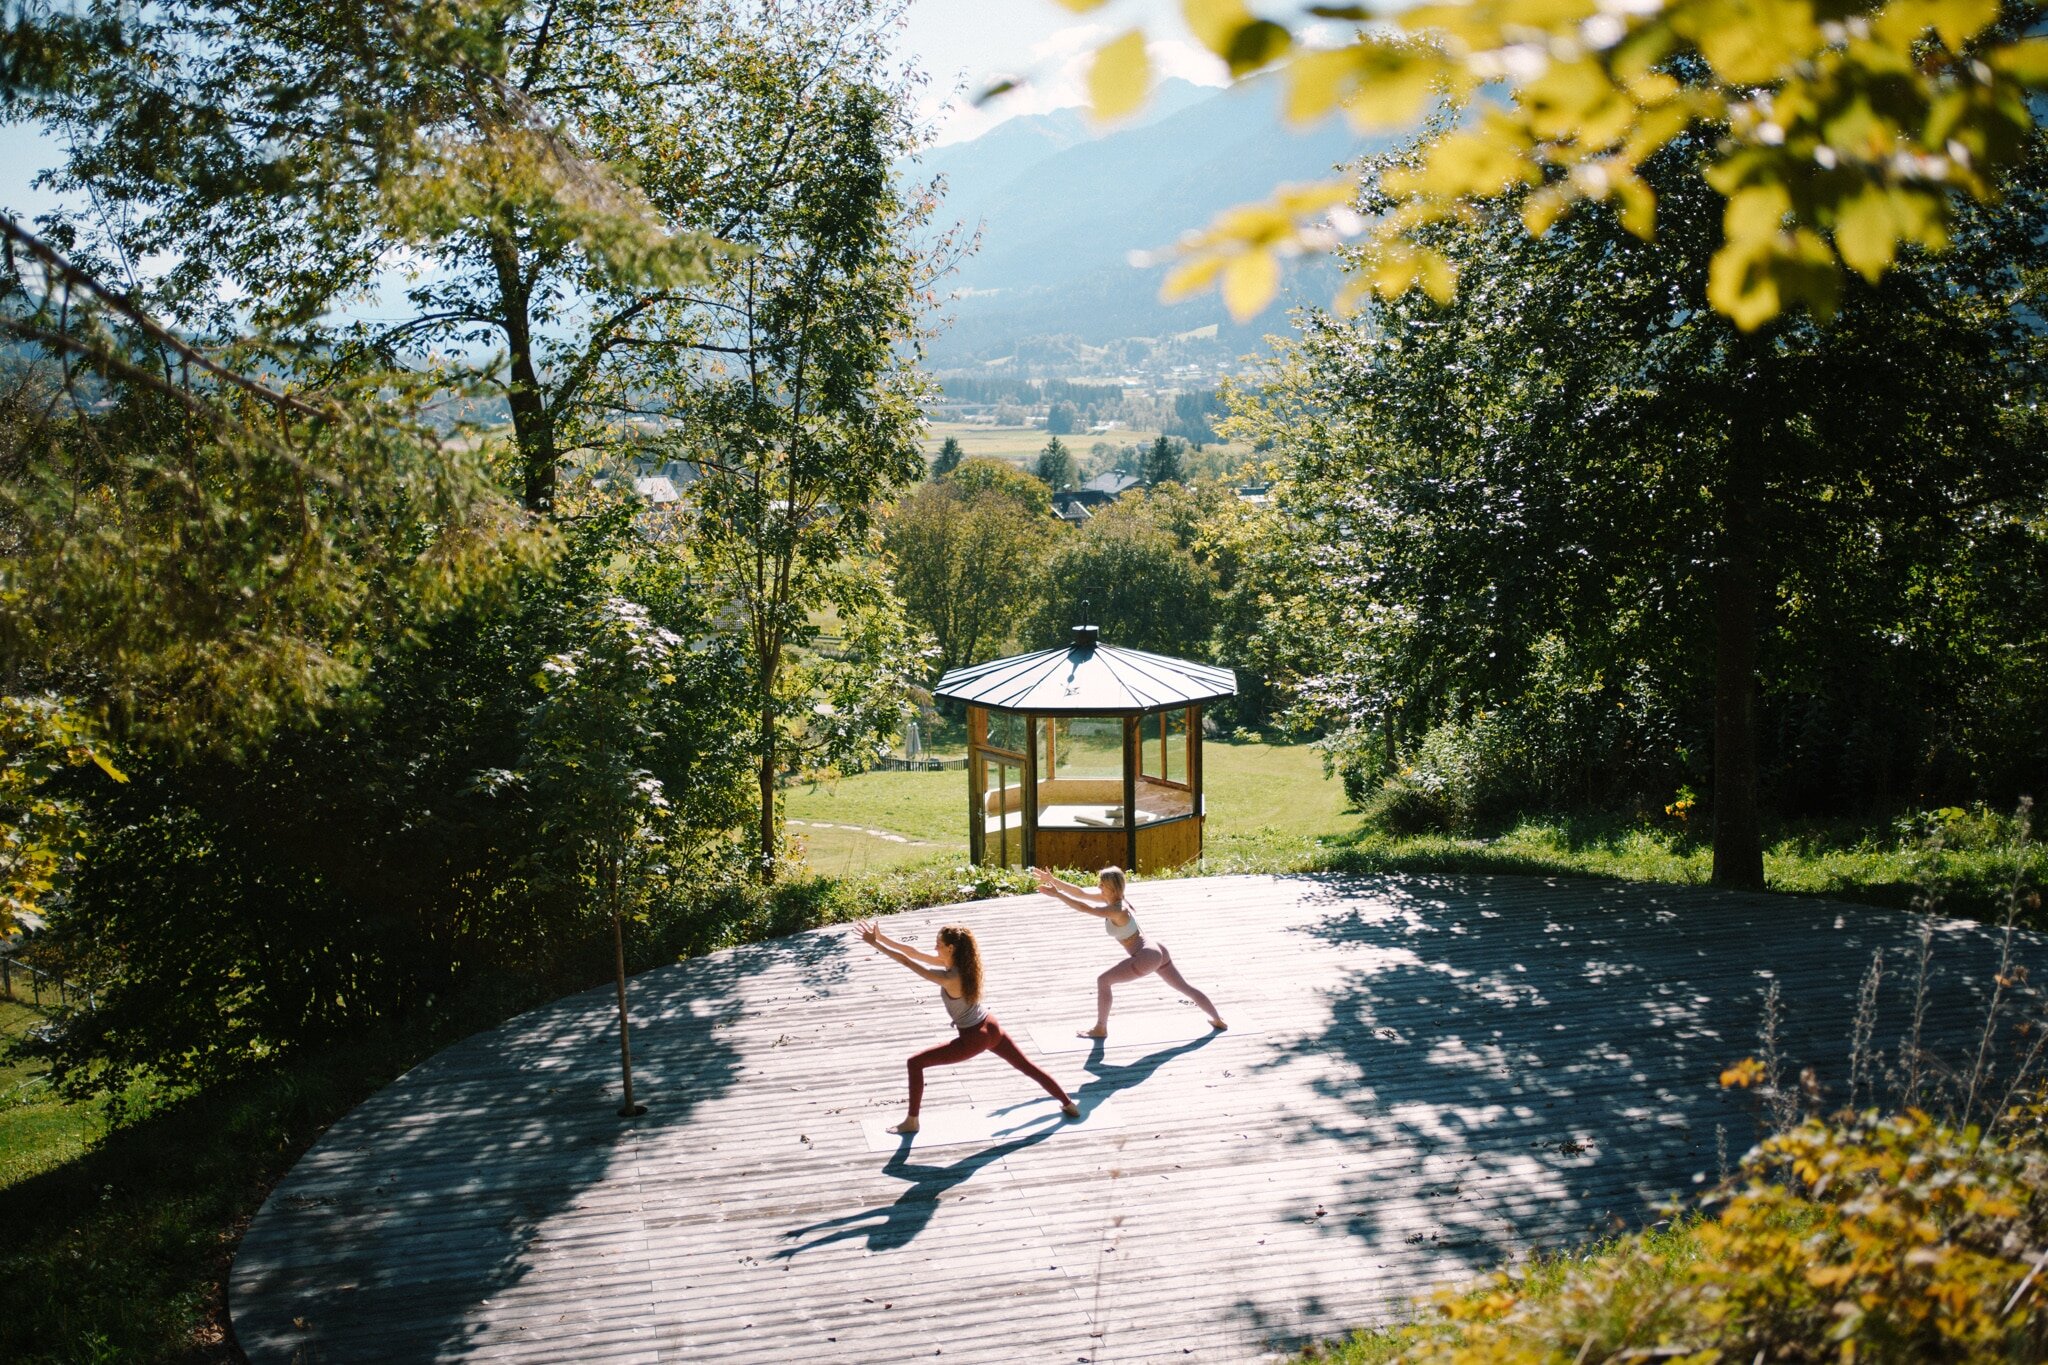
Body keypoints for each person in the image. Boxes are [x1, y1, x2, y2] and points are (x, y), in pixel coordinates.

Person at [856, 918, 1079, 1135]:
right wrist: (882, 938)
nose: (935, 947)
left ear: (951, 947)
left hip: (974, 1037)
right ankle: (1068, 1104)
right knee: (1027, 1066)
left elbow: (908, 962)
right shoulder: (961, 963)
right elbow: (913, 952)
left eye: (939, 944)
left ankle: (912, 1121)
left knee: (915, 1063)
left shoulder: (951, 977)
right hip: (991, 1026)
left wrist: (874, 945)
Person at [1029, 866, 1227, 1039]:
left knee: (1103, 981)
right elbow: (1081, 893)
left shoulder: (1117, 910)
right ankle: (1218, 1019)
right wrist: (1054, 881)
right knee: (1184, 987)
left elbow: (1084, 907)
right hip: (1157, 949)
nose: (1098, 887)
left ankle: (1100, 1028)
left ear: (1112, 888)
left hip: (1146, 955)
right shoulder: (1117, 899)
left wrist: (1057, 894)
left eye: (1102, 884)